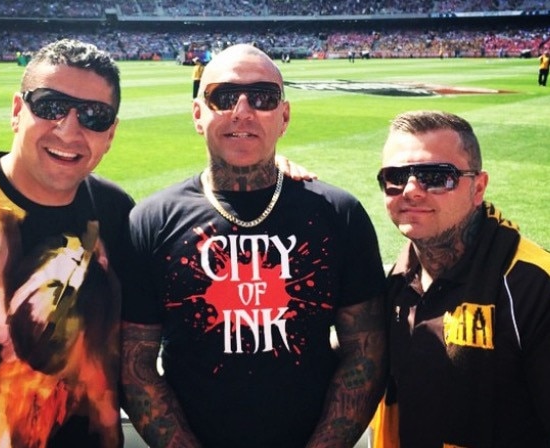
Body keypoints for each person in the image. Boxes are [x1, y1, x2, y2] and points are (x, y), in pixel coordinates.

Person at [120, 43, 387, 448]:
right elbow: (134, 364)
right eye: (223, 97)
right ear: (198, 114)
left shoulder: (338, 214)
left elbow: (366, 353)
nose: (242, 111)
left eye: (263, 98)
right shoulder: (152, 220)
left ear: (284, 116)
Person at [0, 38, 135, 447]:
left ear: (111, 133)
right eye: (50, 106)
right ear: (18, 111)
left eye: (94, 116)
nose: (69, 130)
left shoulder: (116, 211)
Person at [371, 110, 550, 447]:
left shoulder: (532, 286)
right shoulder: (395, 281)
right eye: (395, 176)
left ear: (478, 187)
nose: (411, 190)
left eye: (435, 176)